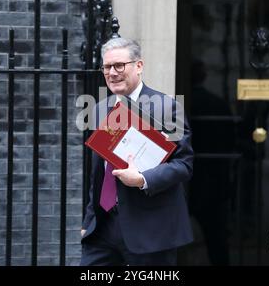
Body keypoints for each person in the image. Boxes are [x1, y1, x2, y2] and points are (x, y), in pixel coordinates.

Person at [80, 38, 194, 266]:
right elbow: (98, 173)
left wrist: (142, 179)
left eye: (119, 65)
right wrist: (89, 219)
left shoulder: (167, 107)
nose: (112, 73)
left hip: (149, 228)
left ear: (139, 66)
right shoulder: (101, 109)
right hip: (103, 228)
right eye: (107, 67)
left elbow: (184, 164)